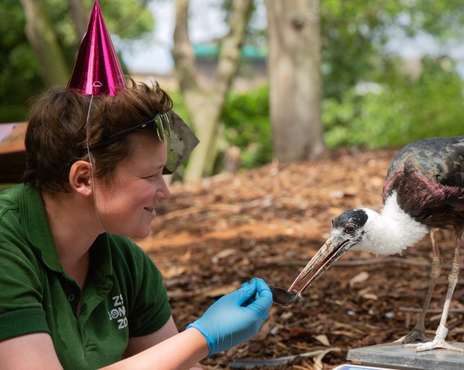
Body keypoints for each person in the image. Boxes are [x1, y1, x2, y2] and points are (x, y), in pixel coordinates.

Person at [0, 78, 273, 369]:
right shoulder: (7, 247)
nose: (165, 192)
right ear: (83, 178)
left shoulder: (125, 262)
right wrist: (200, 338)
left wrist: (199, 342)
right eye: (150, 175)